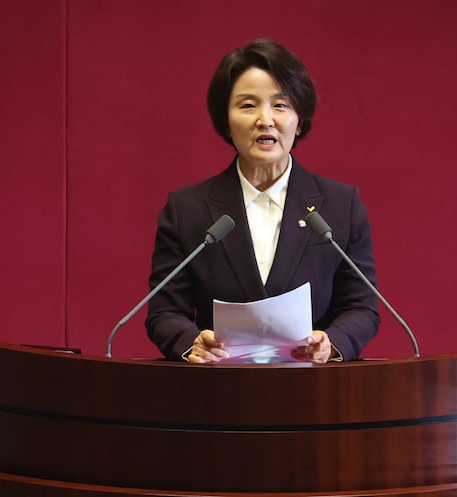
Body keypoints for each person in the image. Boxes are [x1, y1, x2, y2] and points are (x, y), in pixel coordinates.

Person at [145, 38, 379, 363]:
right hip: (215, 385)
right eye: (248, 105)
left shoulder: (340, 206)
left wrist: (332, 342)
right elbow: (164, 311)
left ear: (299, 121)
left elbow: (362, 307)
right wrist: (191, 342)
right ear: (226, 121)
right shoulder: (187, 210)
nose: (265, 119)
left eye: (280, 105)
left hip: (314, 387)